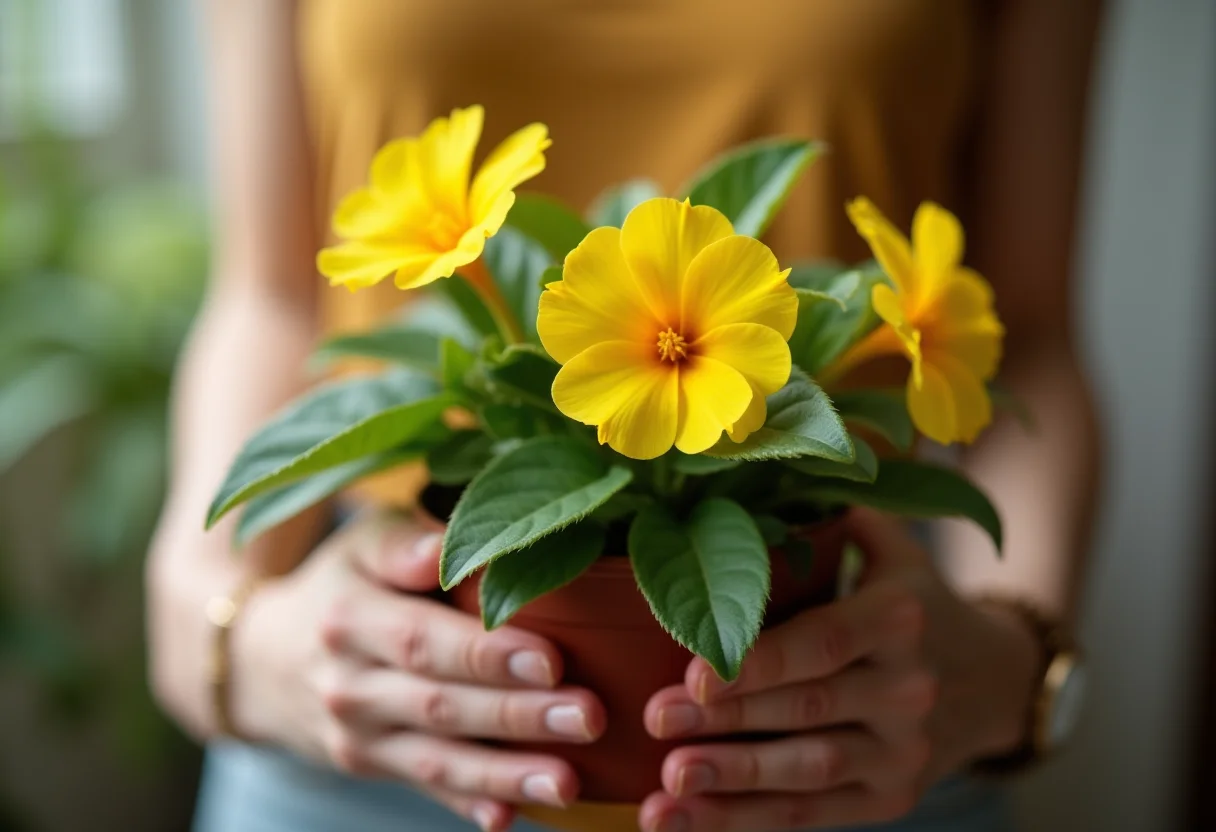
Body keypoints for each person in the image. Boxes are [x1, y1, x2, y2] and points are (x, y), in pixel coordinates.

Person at [146, 1, 1103, 830]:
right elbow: (269, 297)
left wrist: (1012, 659)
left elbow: (1027, 340)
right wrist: (223, 624)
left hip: (856, 705)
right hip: (369, 696)